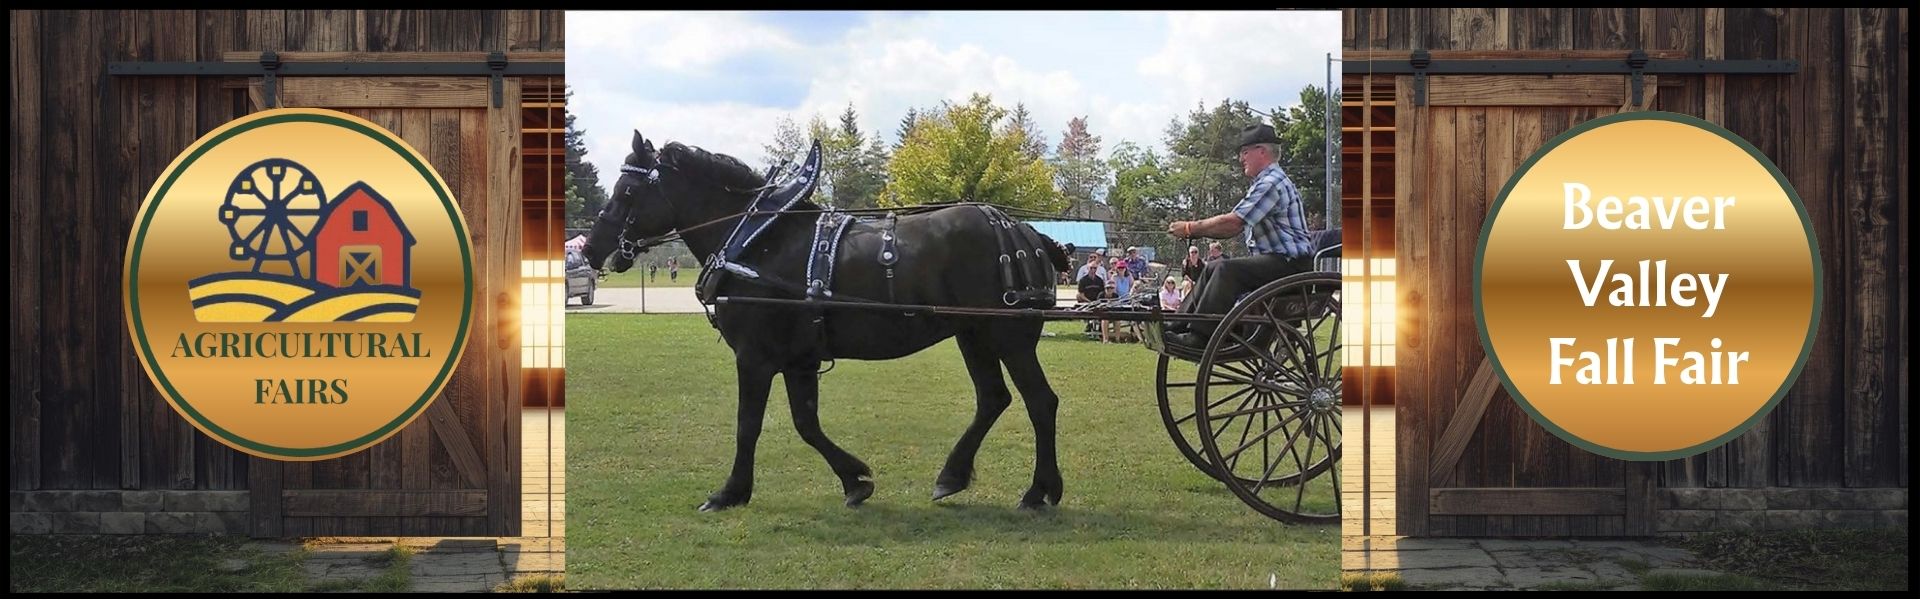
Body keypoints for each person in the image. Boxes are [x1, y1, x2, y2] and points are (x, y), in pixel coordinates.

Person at [1162, 123, 1314, 348]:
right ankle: (1179, 325)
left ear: (1261, 151)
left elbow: (1233, 223)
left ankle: (1201, 337)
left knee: (1225, 269)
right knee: (1213, 267)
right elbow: (1232, 224)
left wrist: (1189, 228)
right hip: (1279, 264)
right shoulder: (1264, 182)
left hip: (1290, 266)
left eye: (1244, 152)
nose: (1240, 158)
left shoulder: (1271, 183)